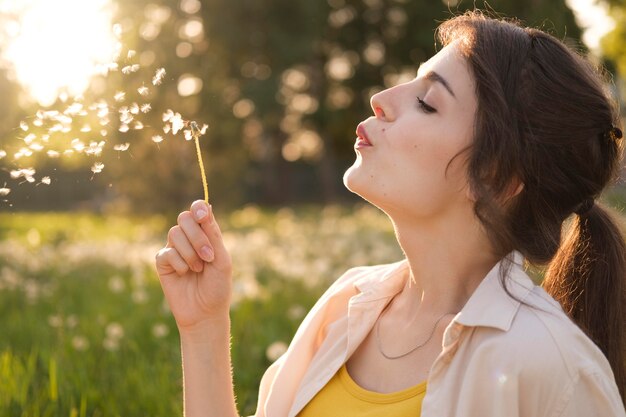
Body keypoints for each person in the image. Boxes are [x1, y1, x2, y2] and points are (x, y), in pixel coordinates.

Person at [155, 11, 626, 417]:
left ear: (498, 178)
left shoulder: (553, 367)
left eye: (427, 102)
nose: (382, 98)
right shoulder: (346, 305)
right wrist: (203, 329)